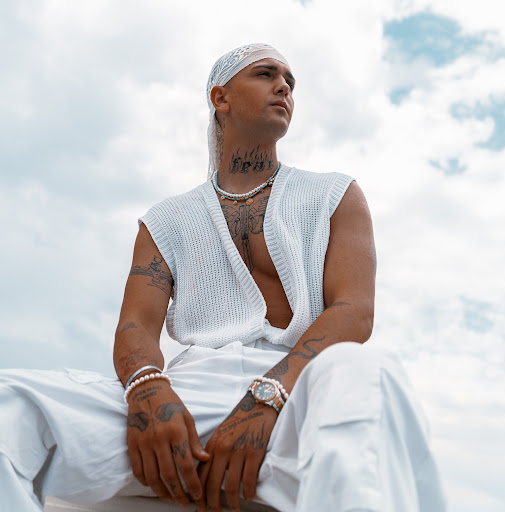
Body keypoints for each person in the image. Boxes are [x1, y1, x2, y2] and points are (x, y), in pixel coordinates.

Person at [0, 43, 446, 512]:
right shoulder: (166, 219)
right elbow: (135, 327)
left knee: (369, 370)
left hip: (300, 398)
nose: (284, 87)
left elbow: (353, 312)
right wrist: (149, 390)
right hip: (186, 399)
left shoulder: (334, 193)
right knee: (11, 400)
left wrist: (268, 396)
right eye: (266, 74)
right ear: (221, 97)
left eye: (290, 81)